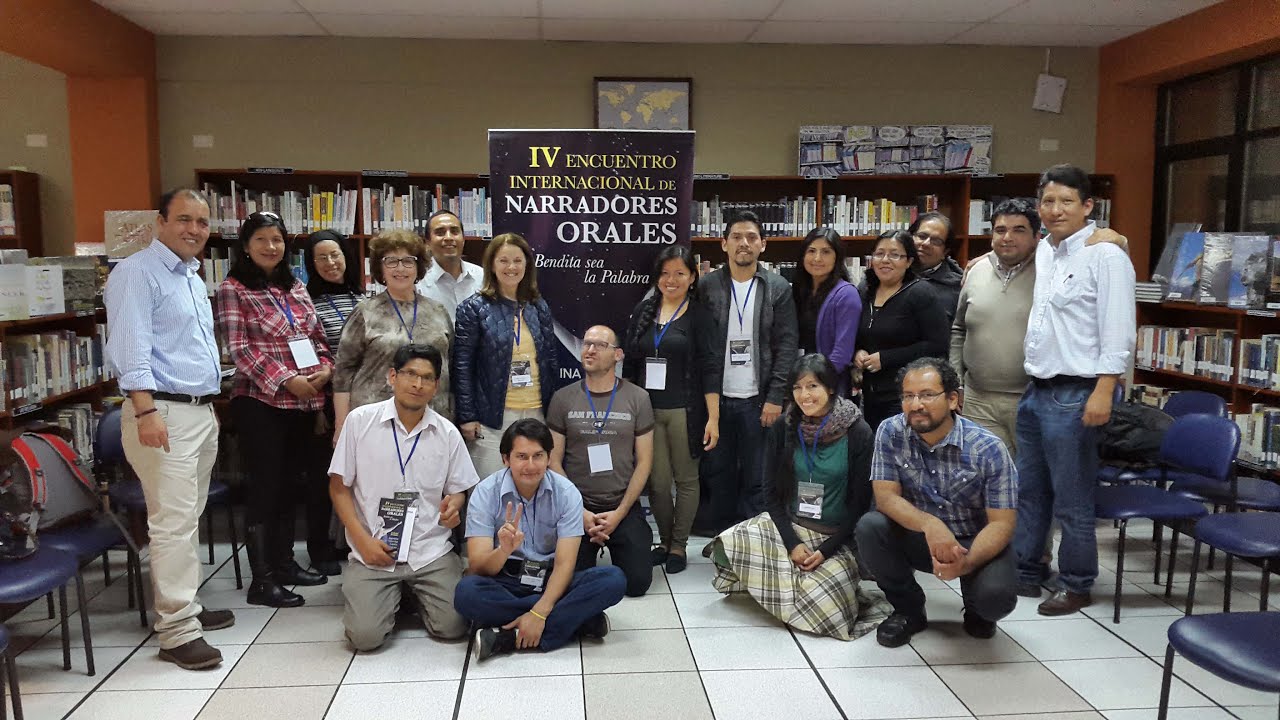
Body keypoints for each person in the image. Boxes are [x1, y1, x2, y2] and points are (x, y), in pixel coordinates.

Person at [104, 188, 234, 670]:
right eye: (183, 219)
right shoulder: (137, 273)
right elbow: (131, 349)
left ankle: (186, 608)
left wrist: (206, 405)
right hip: (161, 412)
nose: (194, 230)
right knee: (172, 524)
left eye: (202, 222)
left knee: (186, 518)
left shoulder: (190, 277)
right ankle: (177, 630)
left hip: (196, 410)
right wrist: (144, 411)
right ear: (160, 222)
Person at [1013, 165, 1135, 616]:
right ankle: (1027, 568)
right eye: (1048, 201)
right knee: (1030, 490)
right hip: (1037, 388)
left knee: (1072, 496)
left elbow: (1119, 329)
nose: (1055, 209)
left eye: (1066, 201)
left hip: (1079, 390)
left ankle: (1078, 582)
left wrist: (1105, 390)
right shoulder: (1046, 250)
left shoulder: (1107, 256)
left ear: (1088, 207)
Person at [711, 354, 883, 640]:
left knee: (829, 617)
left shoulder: (858, 432)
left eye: (813, 386)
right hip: (790, 530)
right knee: (727, 544)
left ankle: (794, 586)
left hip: (835, 538)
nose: (804, 395)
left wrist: (826, 550)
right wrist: (792, 543)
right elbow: (770, 493)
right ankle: (789, 582)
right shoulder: (784, 426)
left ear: (830, 388)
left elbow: (860, 504)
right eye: (797, 388)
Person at [855, 357, 1019, 648]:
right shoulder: (891, 432)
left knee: (995, 600)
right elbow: (885, 497)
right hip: (921, 538)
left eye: (927, 395)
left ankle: (977, 607)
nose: (916, 404)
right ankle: (908, 610)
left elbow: (1002, 524)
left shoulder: (988, 448)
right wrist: (930, 524)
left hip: (975, 540)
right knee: (871, 527)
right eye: (908, 396)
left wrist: (966, 563)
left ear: (953, 399)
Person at [217, 210, 334, 608]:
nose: (271, 247)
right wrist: (286, 379)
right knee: (265, 488)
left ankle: (285, 563)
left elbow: (315, 336)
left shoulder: (295, 287)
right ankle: (262, 579)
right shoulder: (234, 288)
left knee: (290, 486)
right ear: (246, 246)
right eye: (262, 240)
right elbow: (240, 349)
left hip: (302, 402)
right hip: (261, 402)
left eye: (278, 240)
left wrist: (324, 368)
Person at [329, 344, 479, 651]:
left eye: (427, 378)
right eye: (410, 374)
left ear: (436, 386)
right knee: (365, 638)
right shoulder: (360, 422)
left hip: (429, 550)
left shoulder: (447, 433)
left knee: (453, 628)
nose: (417, 384)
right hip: (374, 550)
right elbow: (338, 487)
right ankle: (392, 595)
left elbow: (458, 490)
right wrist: (362, 541)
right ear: (392, 376)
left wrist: (456, 505)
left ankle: (407, 593)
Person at [454, 419, 626, 660]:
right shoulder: (485, 493)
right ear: (506, 459)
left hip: (552, 580)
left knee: (613, 579)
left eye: (538, 456)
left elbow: (565, 565)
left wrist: (540, 612)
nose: (531, 465)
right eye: (522, 456)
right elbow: (479, 566)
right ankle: (576, 620)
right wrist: (503, 550)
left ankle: (509, 638)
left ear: (548, 458)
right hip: (507, 579)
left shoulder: (566, 493)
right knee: (466, 593)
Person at [695, 210, 798, 555]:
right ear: (724, 244)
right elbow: (702, 346)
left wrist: (776, 397)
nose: (744, 243)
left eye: (751, 237)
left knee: (758, 476)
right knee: (718, 474)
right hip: (717, 401)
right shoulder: (707, 286)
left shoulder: (778, 287)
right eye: (737, 236)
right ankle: (725, 544)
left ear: (763, 245)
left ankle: (754, 548)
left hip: (759, 399)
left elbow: (786, 346)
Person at [622, 246, 722, 575]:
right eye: (665, 273)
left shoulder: (700, 315)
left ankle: (679, 545)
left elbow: (710, 368)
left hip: (686, 410)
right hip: (648, 412)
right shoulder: (644, 311)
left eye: (680, 273)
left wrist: (713, 418)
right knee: (658, 483)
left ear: (693, 277)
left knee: (687, 479)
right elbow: (633, 366)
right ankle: (663, 542)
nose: (671, 279)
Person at [548, 325, 655, 597]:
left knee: (637, 584)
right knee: (568, 582)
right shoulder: (562, 398)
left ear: (618, 355)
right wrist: (580, 512)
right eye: (586, 344)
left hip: (622, 506)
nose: (590, 350)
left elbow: (644, 462)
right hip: (577, 509)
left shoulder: (638, 398)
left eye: (599, 345)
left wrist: (619, 514)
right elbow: (553, 461)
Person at [452, 232, 558, 479]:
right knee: (489, 490)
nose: (511, 267)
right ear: (491, 264)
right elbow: (463, 366)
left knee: (531, 486)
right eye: (504, 260)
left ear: (527, 265)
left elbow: (550, 360)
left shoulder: (538, 306)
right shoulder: (473, 308)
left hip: (536, 412)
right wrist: (467, 416)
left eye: (518, 260)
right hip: (492, 419)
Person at [333, 228, 453, 441]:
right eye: (391, 261)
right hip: (375, 421)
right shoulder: (365, 312)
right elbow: (343, 373)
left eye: (408, 261)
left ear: (419, 266)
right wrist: (341, 427)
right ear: (380, 268)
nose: (400, 268)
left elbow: (450, 364)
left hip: (432, 417)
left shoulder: (438, 311)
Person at [949, 199, 1040, 454]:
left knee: (1028, 482)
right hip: (977, 399)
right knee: (985, 477)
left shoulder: (1050, 269)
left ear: (1037, 237)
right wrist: (957, 382)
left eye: (1019, 230)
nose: (1007, 237)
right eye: (1000, 230)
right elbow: (958, 329)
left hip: (1030, 399)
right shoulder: (976, 271)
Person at [302, 229, 364, 576]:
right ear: (311, 264)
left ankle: (348, 541)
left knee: (360, 479)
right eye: (321, 257)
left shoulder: (364, 297)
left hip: (364, 401)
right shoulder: (305, 302)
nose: (330, 263)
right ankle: (319, 547)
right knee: (323, 477)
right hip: (326, 404)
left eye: (335, 255)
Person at [854, 230, 949, 430]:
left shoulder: (921, 293)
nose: (885, 260)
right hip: (870, 394)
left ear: (909, 261)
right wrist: (858, 352)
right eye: (880, 254)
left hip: (906, 395)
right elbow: (862, 334)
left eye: (895, 255)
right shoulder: (865, 291)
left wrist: (886, 358)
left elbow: (937, 345)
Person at [792, 227, 861, 396]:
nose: (817, 258)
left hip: (828, 387)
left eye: (826, 252)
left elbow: (842, 354)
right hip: (799, 384)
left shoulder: (846, 295)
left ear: (837, 257)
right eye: (811, 251)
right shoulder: (799, 291)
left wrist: (815, 384)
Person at [415, 210, 484, 320]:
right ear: (427, 242)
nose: (448, 237)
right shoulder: (418, 282)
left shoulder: (482, 277)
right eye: (440, 233)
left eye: (454, 231)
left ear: (463, 239)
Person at [909, 212, 963, 321]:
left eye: (936, 241)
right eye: (922, 236)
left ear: (945, 252)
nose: (926, 244)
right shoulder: (891, 276)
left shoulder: (958, 289)